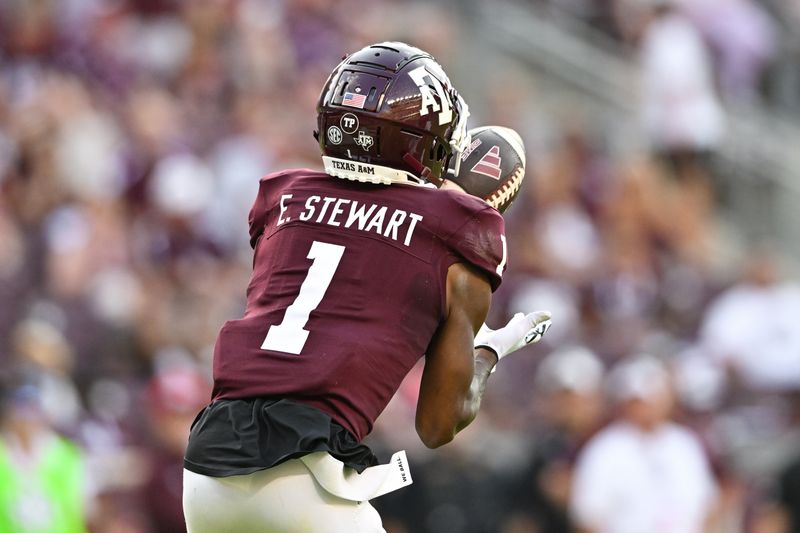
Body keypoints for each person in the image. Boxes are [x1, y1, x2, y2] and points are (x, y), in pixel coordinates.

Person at [182, 41, 551, 533]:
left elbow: (355, 246)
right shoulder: (458, 227)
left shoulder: (284, 197)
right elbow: (439, 424)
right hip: (303, 478)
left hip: (207, 470)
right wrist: (487, 352)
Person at [570, 355, 718, 533]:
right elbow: (588, 518)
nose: (648, 407)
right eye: (641, 401)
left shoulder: (684, 443)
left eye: (655, 398)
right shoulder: (605, 449)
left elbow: (708, 507)